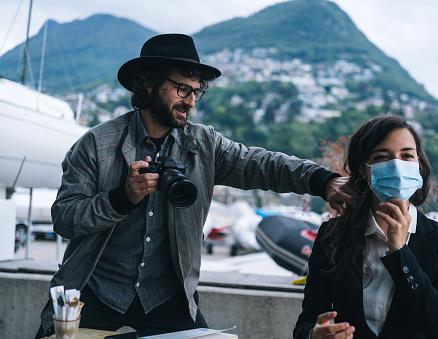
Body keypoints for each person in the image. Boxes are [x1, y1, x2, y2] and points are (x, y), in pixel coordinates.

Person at [35, 33, 358, 338]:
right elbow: (64, 218)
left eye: (196, 91)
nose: (191, 101)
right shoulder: (95, 145)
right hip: (96, 293)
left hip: (166, 298)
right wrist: (121, 198)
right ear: (147, 84)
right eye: (181, 89)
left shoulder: (204, 144)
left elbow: (263, 165)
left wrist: (324, 181)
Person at [294, 115, 438, 339]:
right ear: (363, 170)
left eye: (407, 156)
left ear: (419, 166)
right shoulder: (332, 236)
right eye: (383, 157)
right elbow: (306, 324)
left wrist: (400, 252)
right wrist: (314, 335)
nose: (397, 165)